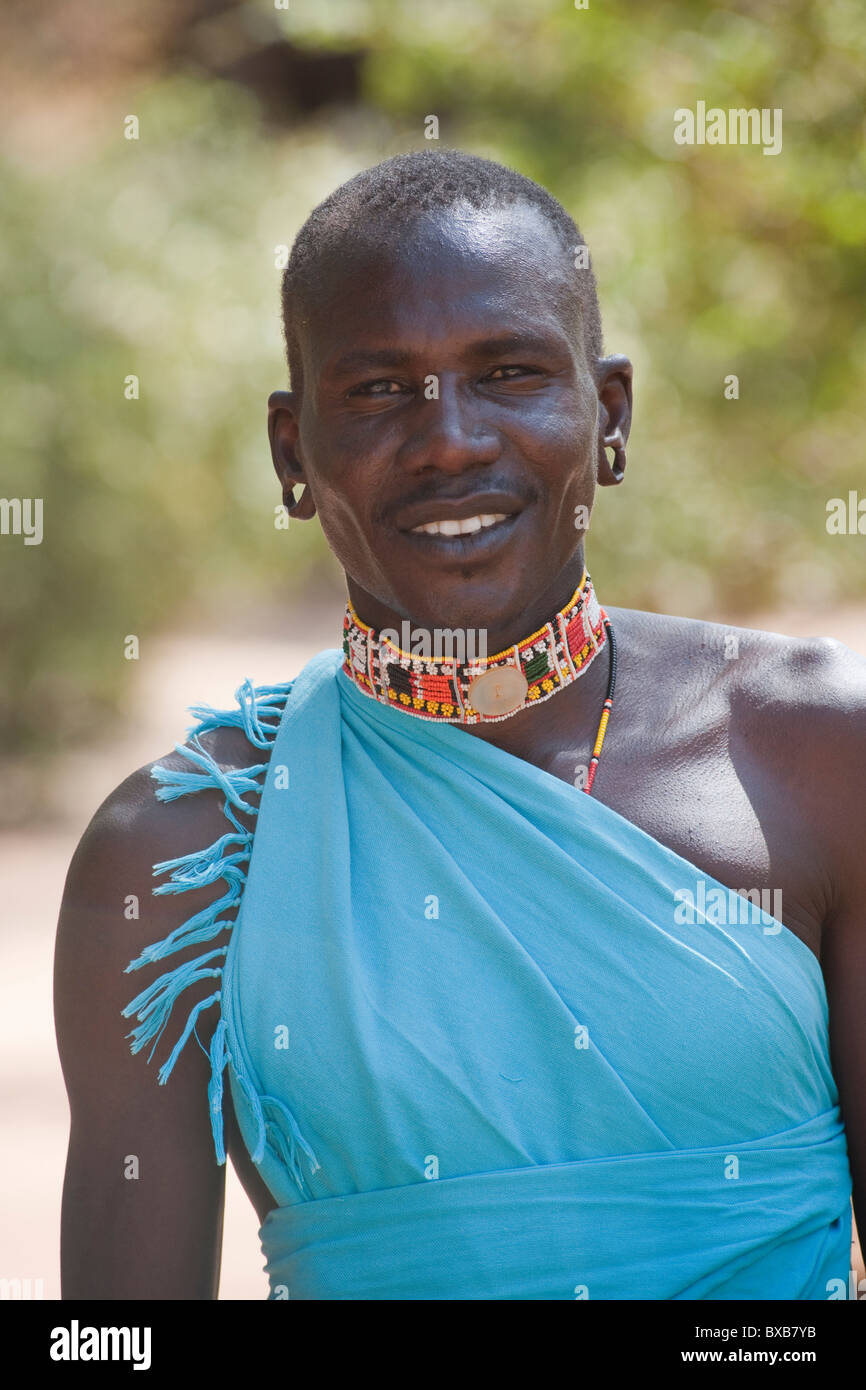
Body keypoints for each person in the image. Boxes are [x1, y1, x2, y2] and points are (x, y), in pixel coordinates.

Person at [55, 149, 865, 1300]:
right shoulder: (176, 855)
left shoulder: (815, 751)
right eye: (379, 390)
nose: (447, 440)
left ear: (608, 413)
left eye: (508, 372)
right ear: (293, 452)